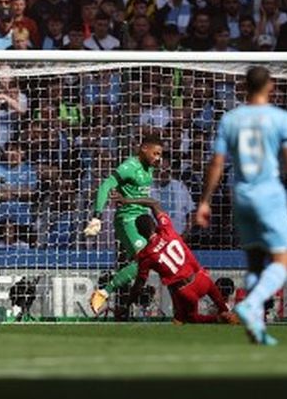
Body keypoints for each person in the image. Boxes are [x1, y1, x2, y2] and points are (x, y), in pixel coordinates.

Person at [196, 66, 287, 345]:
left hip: (240, 195)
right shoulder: (282, 118)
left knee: (254, 264)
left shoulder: (230, 119)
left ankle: (256, 330)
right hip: (269, 194)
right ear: (270, 86)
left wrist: (204, 201)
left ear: (244, 87)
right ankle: (252, 303)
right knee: (282, 261)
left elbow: (217, 162)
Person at [121, 197, 236, 324]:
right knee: (223, 308)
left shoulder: (145, 256)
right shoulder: (167, 229)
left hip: (185, 290)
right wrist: (128, 201)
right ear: (154, 224)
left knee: (190, 317)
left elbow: (139, 284)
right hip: (201, 278)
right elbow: (154, 203)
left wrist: (127, 304)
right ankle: (229, 316)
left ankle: (218, 319)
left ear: (139, 233)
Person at [84, 135, 163, 314]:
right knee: (144, 260)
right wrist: (97, 216)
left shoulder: (149, 168)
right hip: (127, 220)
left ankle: (125, 306)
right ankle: (103, 293)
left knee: (153, 259)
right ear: (144, 149)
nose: (158, 158)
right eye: (155, 153)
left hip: (143, 218)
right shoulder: (129, 167)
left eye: (159, 155)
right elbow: (105, 186)